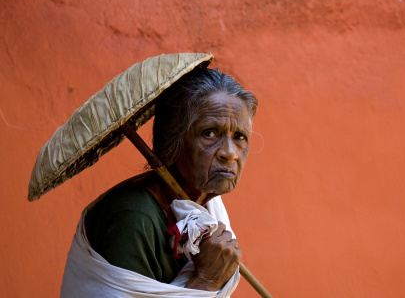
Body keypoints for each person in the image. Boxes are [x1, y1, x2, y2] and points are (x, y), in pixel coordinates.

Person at [61, 67, 258, 297]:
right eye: (210, 133)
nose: (230, 153)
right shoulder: (134, 217)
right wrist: (206, 281)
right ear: (171, 141)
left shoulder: (206, 206)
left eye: (239, 137)